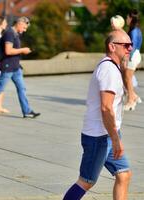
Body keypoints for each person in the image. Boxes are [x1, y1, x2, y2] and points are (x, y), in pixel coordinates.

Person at [63, 30, 132, 200]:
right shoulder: (108, 69)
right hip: (98, 137)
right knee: (86, 181)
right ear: (112, 46)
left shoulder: (113, 67)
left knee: (124, 174)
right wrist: (115, 140)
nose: (129, 49)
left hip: (107, 134)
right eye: (126, 45)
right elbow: (106, 108)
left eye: (131, 45)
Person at [0, 17, 40, 119]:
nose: (24, 30)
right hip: (8, 66)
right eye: (24, 27)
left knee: (22, 88)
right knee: (0, 88)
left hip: (15, 67)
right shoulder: (9, 33)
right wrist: (23, 50)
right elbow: (8, 51)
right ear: (19, 23)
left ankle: (27, 111)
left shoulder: (15, 34)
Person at [123, 9, 142, 111]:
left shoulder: (134, 31)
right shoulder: (137, 29)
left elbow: (132, 46)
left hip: (133, 55)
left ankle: (131, 101)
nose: (126, 19)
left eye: (127, 17)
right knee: (127, 79)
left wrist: (127, 57)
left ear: (131, 18)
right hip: (135, 55)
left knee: (128, 79)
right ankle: (133, 96)